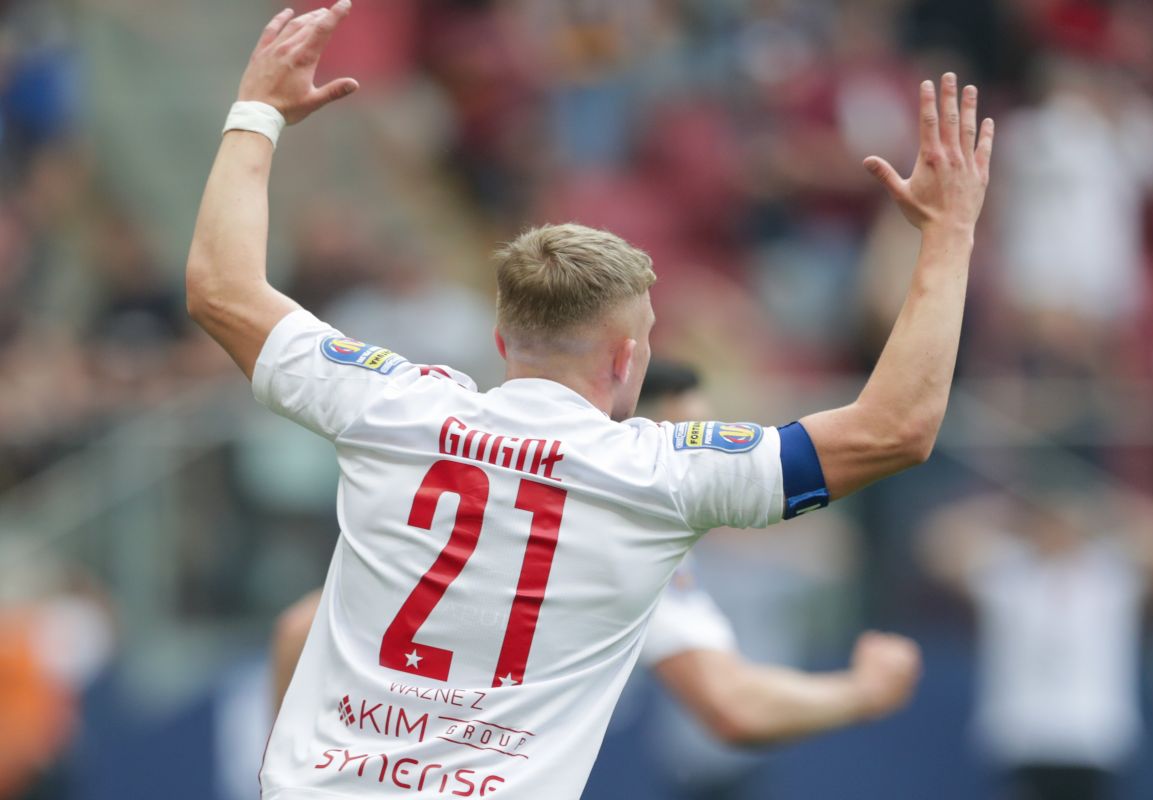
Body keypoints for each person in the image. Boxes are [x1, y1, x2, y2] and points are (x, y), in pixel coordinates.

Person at [184, 2, 991, 796]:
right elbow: (895, 431)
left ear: (502, 340)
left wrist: (258, 111)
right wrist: (947, 234)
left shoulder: (392, 405)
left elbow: (222, 289)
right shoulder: (658, 476)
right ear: (628, 359)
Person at [269, 361, 922, 749]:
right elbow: (734, 706)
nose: (703, 462)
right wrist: (863, 691)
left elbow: (301, 628)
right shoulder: (626, 529)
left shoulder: (481, 475)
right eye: (689, 437)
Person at [917, 484, 1153, 800]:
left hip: (1092, 737)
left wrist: (1112, 509)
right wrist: (1004, 510)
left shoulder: (1109, 575)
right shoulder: (1008, 574)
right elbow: (938, 544)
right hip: (1024, 736)